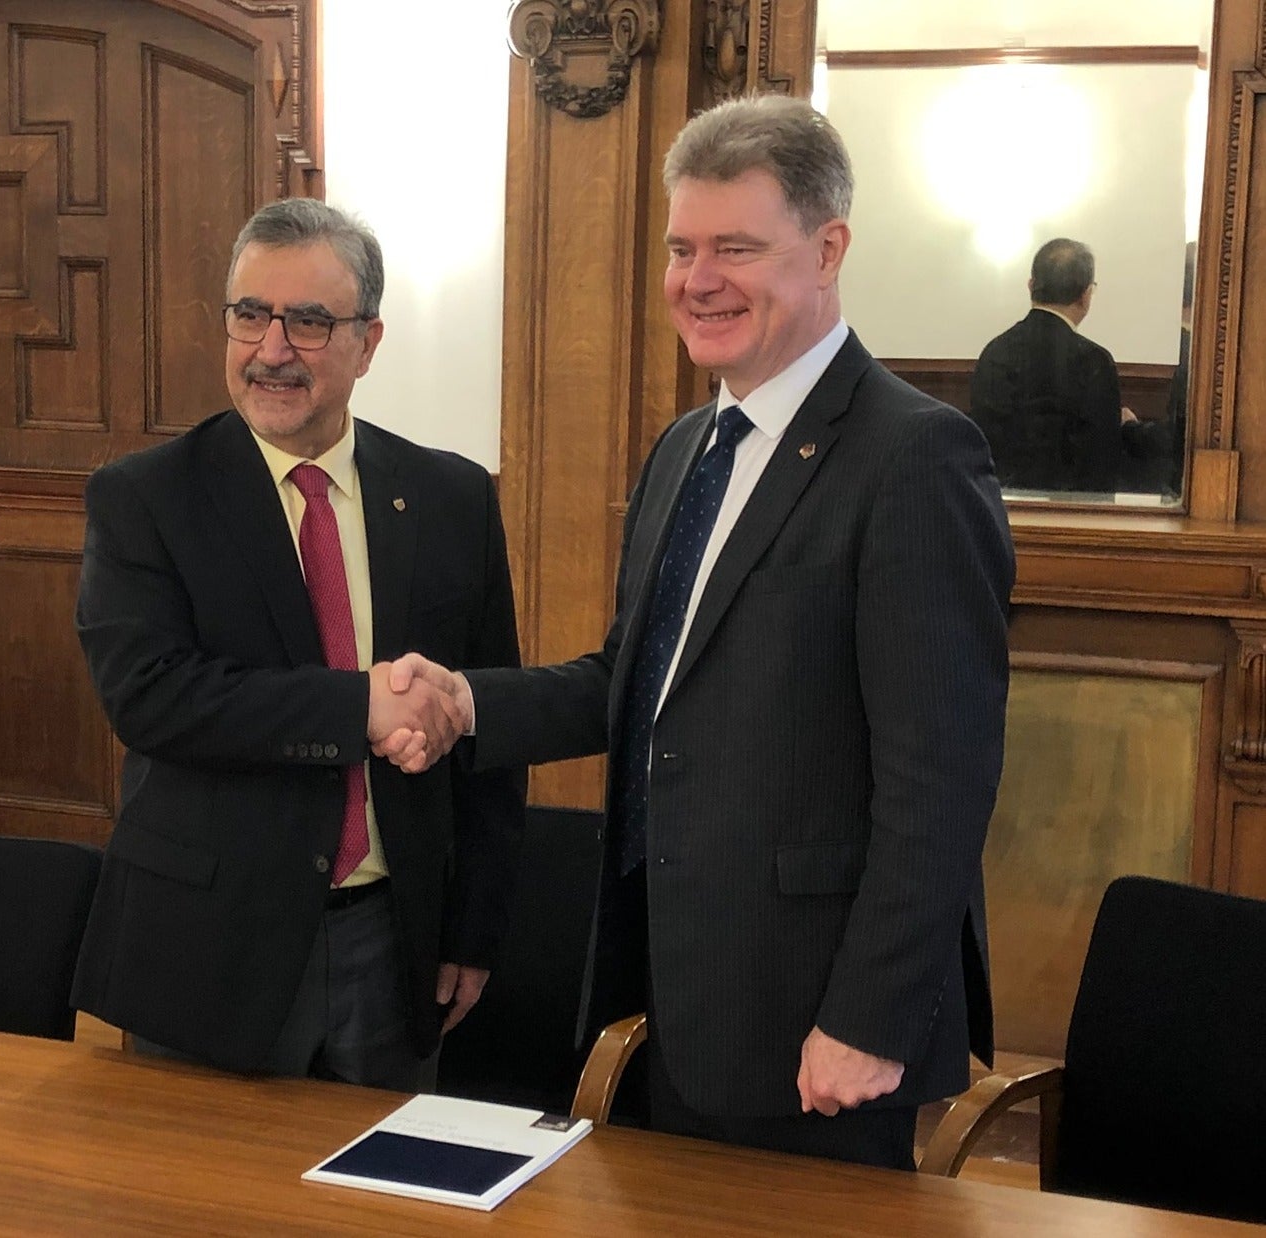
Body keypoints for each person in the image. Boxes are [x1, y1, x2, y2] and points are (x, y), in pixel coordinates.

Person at [379, 96, 1015, 1171]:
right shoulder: (686, 447)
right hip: (665, 981)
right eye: (681, 249)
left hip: (815, 1017)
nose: (696, 279)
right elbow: (635, 681)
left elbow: (941, 776)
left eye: (736, 248)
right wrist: (466, 701)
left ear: (828, 249)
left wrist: (869, 1015)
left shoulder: (915, 456)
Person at [69, 198, 525, 1089]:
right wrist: (361, 707)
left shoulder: (452, 499)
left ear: (368, 342)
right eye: (250, 315)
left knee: (382, 1178)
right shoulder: (145, 498)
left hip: (395, 943)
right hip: (210, 945)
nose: (271, 349)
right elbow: (151, 698)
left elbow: (487, 733)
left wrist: (472, 927)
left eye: (308, 322)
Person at [969, 238, 1128, 494]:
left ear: (1031, 286)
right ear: (1086, 295)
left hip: (1001, 503)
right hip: (1070, 509)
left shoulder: (994, 352)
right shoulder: (1093, 360)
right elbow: (1102, 461)